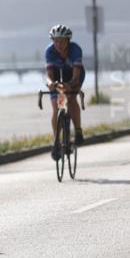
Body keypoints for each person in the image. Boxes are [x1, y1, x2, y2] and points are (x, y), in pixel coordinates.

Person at [45, 24, 85, 159]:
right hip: (57, 74)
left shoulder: (75, 50)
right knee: (57, 108)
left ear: (68, 41)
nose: (59, 44)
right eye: (56, 41)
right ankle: (56, 141)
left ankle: (78, 130)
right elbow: (49, 76)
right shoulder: (49, 52)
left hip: (72, 73)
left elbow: (75, 77)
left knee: (72, 98)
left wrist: (71, 86)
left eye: (62, 41)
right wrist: (51, 84)